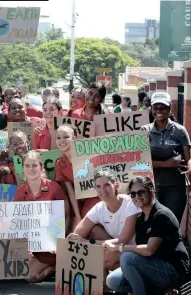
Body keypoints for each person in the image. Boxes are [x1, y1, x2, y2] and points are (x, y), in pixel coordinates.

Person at [105, 176, 190, 295]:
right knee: (112, 280)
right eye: (133, 194)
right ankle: (155, 290)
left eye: (141, 192)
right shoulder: (140, 219)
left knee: (127, 257)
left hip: (173, 269)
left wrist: (120, 247)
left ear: (151, 190)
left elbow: (149, 250)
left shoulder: (161, 215)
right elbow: (140, 250)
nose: (137, 197)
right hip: (153, 267)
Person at [67, 168, 139, 272]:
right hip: (114, 248)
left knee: (106, 258)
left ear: (117, 185)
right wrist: (67, 244)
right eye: (98, 186)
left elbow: (123, 241)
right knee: (93, 231)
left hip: (134, 250)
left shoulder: (130, 203)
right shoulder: (99, 208)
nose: (103, 190)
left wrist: (88, 243)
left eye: (107, 185)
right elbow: (77, 234)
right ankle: (104, 285)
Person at [13, 151, 69, 282]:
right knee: (17, 271)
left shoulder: (53, 187)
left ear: (41, 167)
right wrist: (25, 248)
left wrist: (59, 240)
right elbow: (17, 221)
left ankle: (56, 266)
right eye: (27, 166)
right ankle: (55, 266)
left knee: (30, 277)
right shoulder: (21, 191)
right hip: (32, 244)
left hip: (51, 245)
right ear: (23, 169)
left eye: (34, 165)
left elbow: (67, 215)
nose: (31, 169)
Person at [140, 92, 191, 222]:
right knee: (152, 225)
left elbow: (188, 160)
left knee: (172, 224)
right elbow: (139, 161)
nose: (159, 111)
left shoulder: (179, 131)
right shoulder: (144, 131)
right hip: (150, 186)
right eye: (155, 107)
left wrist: (188, 167)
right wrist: (165, 164)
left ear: (169, 109)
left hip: (175, 187)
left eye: (163, 107)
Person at [54, 125, 82, 228]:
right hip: (78, 202)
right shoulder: (59, 164)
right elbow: (71, 192)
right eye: (58, 138)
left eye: (66, 137)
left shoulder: (86, 154)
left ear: (74, 138)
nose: (62, 141)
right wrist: (78, 216)